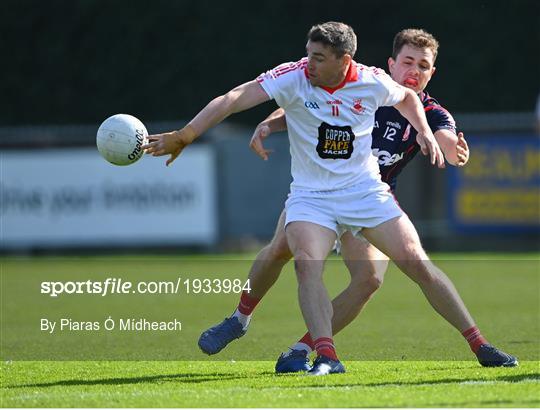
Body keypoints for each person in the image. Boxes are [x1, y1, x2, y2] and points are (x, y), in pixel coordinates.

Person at [144, 23, 516, 375]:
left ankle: (479, 345)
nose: (310, 63)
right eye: (408, 61)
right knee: (297, 259)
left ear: (345, 61)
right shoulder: (298, 75)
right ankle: (265, 329)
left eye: (319, 57)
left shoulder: (374, 84)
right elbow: (239, 98)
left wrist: (431, 137)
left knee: (400, 269)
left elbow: (414, 105)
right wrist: (188, 134)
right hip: (312, 195)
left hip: (365, 193)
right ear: (392, 62)